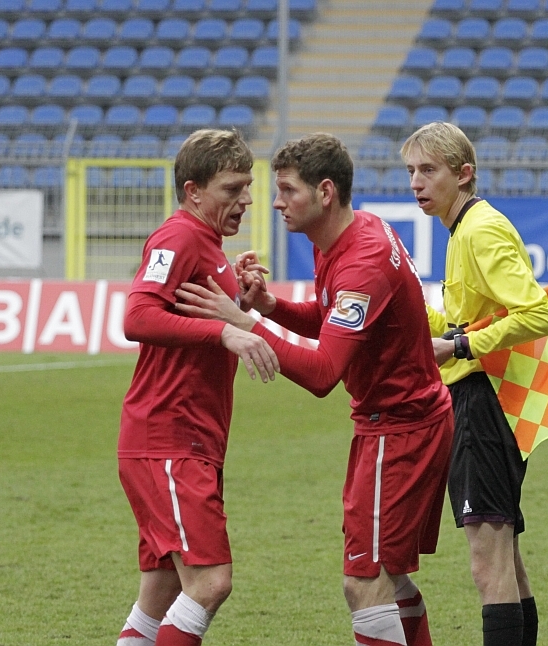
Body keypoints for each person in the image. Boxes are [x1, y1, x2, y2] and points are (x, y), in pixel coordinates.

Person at [174, 133, 454, 646]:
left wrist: (243, 322)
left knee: (363, 583)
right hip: (403, 422)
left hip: (399, 431)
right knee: (388, 576)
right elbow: (332, 321)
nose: (274, 202)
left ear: (325, 192)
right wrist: (269, 307)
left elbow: (325, 372)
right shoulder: (355, 232)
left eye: (287, 190)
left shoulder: (362, 261)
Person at [115, 129, 280, 646]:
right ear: (193, 191)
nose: (246, 199)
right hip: (168, 440)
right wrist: (224, 331)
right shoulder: (178, 237)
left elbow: (193, 313)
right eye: (231, 189)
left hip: (188, 440)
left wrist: (238, 297)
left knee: (162, 590)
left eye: (247, 187)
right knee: (209, 583)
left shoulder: (206, 244)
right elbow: (137, 317)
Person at [401, 121, 548, 646]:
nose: (416, 182)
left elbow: (535, 314)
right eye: (411, 171)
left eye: (428, 170)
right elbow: (463, 323)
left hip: (483, 400)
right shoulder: (464, 228)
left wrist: (462, 345)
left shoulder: (479, 230)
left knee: (488, 561)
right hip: (490, 398)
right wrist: (410, 305)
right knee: (504, 556)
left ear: (464, 173)